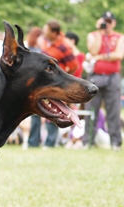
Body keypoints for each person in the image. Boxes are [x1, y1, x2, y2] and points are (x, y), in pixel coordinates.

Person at [84, 11, 124, 151]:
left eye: (109, 21)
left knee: (113, 111)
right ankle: (87, 142)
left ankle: (116, 142)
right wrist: (100, 32)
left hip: (112, 76)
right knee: (91, 110)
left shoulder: (120, 37)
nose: (107, 24)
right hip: (95, 76)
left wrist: (98, 58)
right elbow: (93, 50)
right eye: (105, 21)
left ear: (114, 23)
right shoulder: (93, 35)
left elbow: (119, 55)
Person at [38, 20, 79, 148]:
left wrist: (62, 77)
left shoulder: (63, 46)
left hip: (55, 84)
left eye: (46, 30)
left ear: (54, 33)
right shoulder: (47, 43)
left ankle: (51, 142)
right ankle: (41, 141)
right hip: (44, 82)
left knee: (54, 109)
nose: (44, 32)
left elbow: (73, 65)